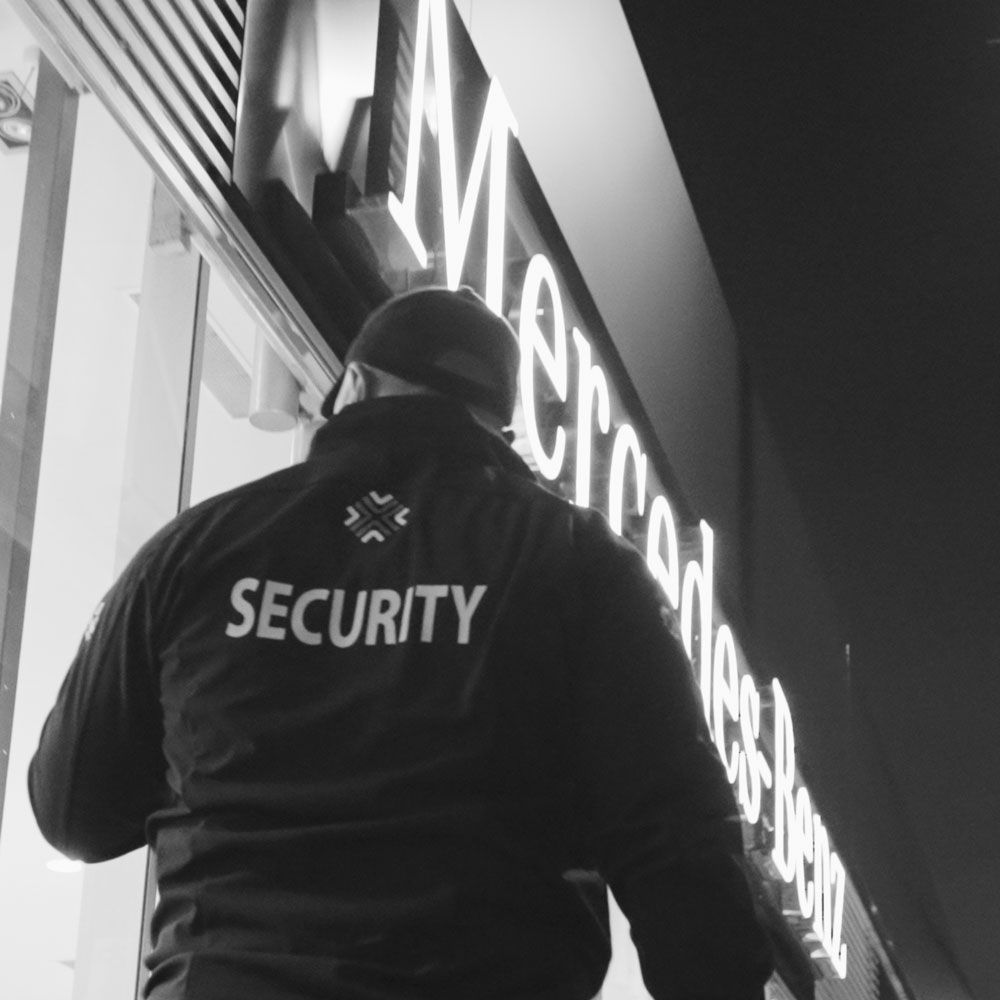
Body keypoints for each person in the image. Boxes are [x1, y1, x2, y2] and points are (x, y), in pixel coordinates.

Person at [30, 286, 773, 999]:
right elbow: (678, 851)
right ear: (497, 425)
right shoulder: (580, 564)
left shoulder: (197, 549)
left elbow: (72, 813)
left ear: (353, 385)